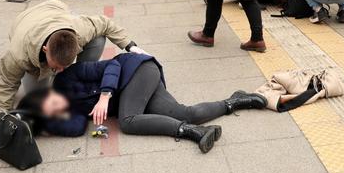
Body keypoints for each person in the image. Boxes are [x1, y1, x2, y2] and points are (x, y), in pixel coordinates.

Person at [17, 53, 267, 154]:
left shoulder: (66, 78)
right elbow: (74, 130)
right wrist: (43, 126)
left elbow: (112, 65)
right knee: (184, 112)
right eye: (50, 113)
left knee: (128, 121)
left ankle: (193, 133)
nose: (54, 108)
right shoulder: (71, 114)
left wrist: (105, 95)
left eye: (49, 104)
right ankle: (235, 101)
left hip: (137, 69)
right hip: (135, 91)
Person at [0, 0, 140, 114]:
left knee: (98, 38)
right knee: (37, 100)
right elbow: (6, 84)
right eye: (56, 67)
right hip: (25, 21)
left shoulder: (79, 30)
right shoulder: (18, 54)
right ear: (45, 49)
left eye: (64, 66)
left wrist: (130, 45)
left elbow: (105, 23)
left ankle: (81, 75)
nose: (60, 70)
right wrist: (2, 116)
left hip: (56, 10)